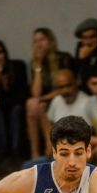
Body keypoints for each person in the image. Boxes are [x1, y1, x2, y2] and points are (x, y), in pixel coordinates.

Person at [26, 28, 75, 159]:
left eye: (42, 40)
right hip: (44, 101)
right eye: (35, 41)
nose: (39, 44)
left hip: (62, 97)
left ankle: (49, 147)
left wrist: (43, 98)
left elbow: (66, 87)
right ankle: (35, 154)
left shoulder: (63, 58)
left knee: (37, 105)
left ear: (50, 41)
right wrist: (38, 66)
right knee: (32, 104)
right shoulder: (34, 63)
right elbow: (35, 93)